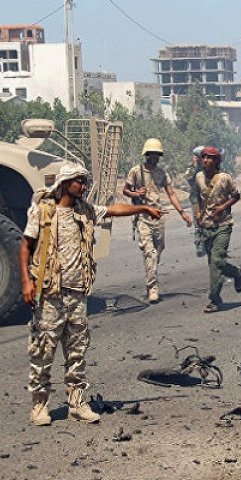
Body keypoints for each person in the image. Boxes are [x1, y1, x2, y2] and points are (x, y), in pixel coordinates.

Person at [20, 163, 161, 426]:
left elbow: (114, 210)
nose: (83, 186)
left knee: (77, 352)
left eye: (84, 181)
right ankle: (39, 406)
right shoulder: (44, 212)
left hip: (77, 295)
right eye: (78, 182)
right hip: (50, 294)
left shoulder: (84, 211)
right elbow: (25, 247)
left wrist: (142, 208)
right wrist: (27, 282)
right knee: (43, 352)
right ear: (64, 184)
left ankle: (77, 403)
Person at [123, 138, 192, 303]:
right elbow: (125, 190)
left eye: (157, 154)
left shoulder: (161, 173)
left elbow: (171, 193)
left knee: (158, 251)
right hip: (142, 217)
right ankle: (152, 288)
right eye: (151, 154)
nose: (154, 157)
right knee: (150, 253)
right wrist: (135, 194)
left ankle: (150, 275)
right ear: (146, 154)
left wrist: (182, 213)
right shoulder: (136, 171)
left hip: (158, 217)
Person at [194, 146, 241, 313]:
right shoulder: (199, 177)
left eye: (210, 158)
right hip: (206, 226)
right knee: (214, 264)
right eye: (204, 157)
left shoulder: (224, 178)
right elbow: (199, 199)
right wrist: (198, 215)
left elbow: (236, 196)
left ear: (217, 161)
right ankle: (236, 272)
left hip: (223, 225)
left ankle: (214, 300)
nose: (206, 160)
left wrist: (222, 208)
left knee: (216, 260)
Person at [186, 146, 206, 256]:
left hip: (208, 198)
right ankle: (199, 244)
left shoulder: (209, 167)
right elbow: (188, 179)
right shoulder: (193, 169)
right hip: (196, 199)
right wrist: (194, 166)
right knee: (198, 222)